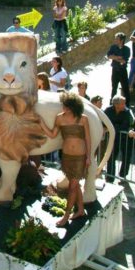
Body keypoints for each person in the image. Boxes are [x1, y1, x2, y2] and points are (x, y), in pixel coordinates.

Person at [39, 92, 91, 226]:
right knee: (75, 184)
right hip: (67, 157)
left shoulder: (83, 119)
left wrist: (89, 156)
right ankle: (80, 210)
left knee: (72, 186)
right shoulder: (59, 118)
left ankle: (66, 216)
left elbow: (88, 139)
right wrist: (41, 122)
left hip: (80, 158)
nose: (63, 107)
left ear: (73, 106)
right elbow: (52, 134)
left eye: (66, 106)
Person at [104, 95, 133, 180]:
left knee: (126, 157)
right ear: (116, 105)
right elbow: (104, 121)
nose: (125, 105)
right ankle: (110, 177)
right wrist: (111, 126)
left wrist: (110, 127)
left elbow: (124, 126)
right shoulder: (108, 110)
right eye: (123, 103)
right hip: (113, 138)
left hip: (125, 138)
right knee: (111, 156)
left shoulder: (127, 112)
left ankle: (123, 175)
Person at [107, 32, 131, 104]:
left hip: (122, 71)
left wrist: (114, 57)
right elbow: (109, 56)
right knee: (114, 88)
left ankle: (127, 104)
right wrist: (118, 57)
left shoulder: (127, 49)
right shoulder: (113, 47)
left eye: (117, 39)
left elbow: (124, 61)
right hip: (115, 70)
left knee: (125, 88)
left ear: (122, 40)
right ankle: (112, 103)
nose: (115, 40)